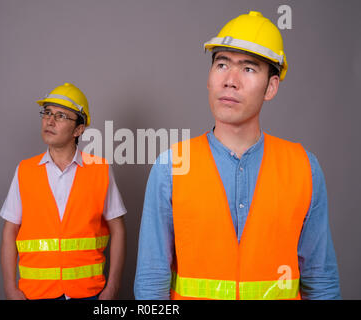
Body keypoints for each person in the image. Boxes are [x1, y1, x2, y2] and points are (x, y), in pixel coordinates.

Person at [134, 11, 341, 300]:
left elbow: (320, 279)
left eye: (248, 68)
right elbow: (151, 280)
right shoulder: (171, 166)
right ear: (209, 78)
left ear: (271, 87)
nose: (230, 80)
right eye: (221, 64)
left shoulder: (305, 167)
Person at [0, 83, 127, 300]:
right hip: (35, 294)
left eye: (60, 116)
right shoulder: (25, 170)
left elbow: (118, 231)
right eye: (47, 113)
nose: (50, 120)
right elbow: (9, 232)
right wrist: (11, 289)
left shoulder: (101, 170)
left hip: (89, 294)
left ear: (79, 129)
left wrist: (112, 287)